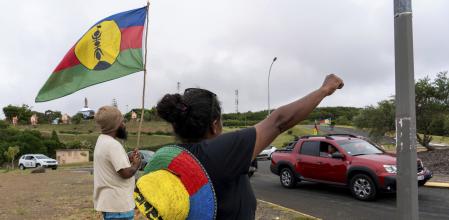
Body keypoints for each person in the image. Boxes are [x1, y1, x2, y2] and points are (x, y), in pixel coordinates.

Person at [151, 74, 343, 219]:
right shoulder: (217, 153)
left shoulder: (168, 159)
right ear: (214, 124)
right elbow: (279, 121)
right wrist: (325, 89)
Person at [93, 106, 141, 220]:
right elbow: (125, 173)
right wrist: (136, 164)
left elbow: (113, 166)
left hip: (110, 206)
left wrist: (127, 159)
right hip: (119, 208)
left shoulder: (102, 140)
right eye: (122, 122)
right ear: (115, 125)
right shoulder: (113, 145)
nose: (124, 125)